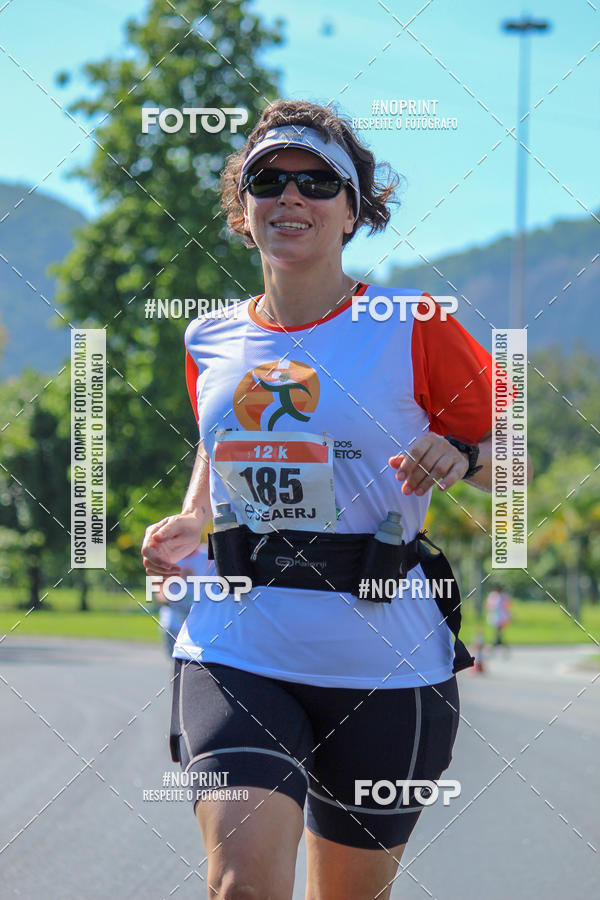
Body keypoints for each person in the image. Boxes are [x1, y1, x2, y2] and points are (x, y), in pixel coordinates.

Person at [142, 99, 533, 900]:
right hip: (237, 643)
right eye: (269, 180)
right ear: (243, 211)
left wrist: (462, 455)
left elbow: (517, 462)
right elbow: (219, 446)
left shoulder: (410, 322)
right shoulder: (208, 337)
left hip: (384, 660)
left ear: (353, 211)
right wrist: (195, 517)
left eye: (319, 183)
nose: (292, 197)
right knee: (242, 887)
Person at [155, 545, 209, 659]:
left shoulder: (207, 555)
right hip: (174, 614)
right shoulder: (168, 557)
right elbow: (159, 583)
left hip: (198, 616)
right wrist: (164, 598)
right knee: (175, 658)